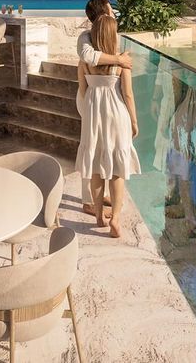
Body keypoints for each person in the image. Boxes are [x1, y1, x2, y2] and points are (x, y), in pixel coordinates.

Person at [75, 14, 141, 238]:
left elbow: (82, 91)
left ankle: (99, 217)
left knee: (95, 165)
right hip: (117, 115)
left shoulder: (84, 62)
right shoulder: (122, 62)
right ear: (113, 35)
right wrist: (134, 121)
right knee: (116, 169)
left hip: (93, 113)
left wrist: (91, 110)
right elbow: (128, 95)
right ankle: (115, 219)